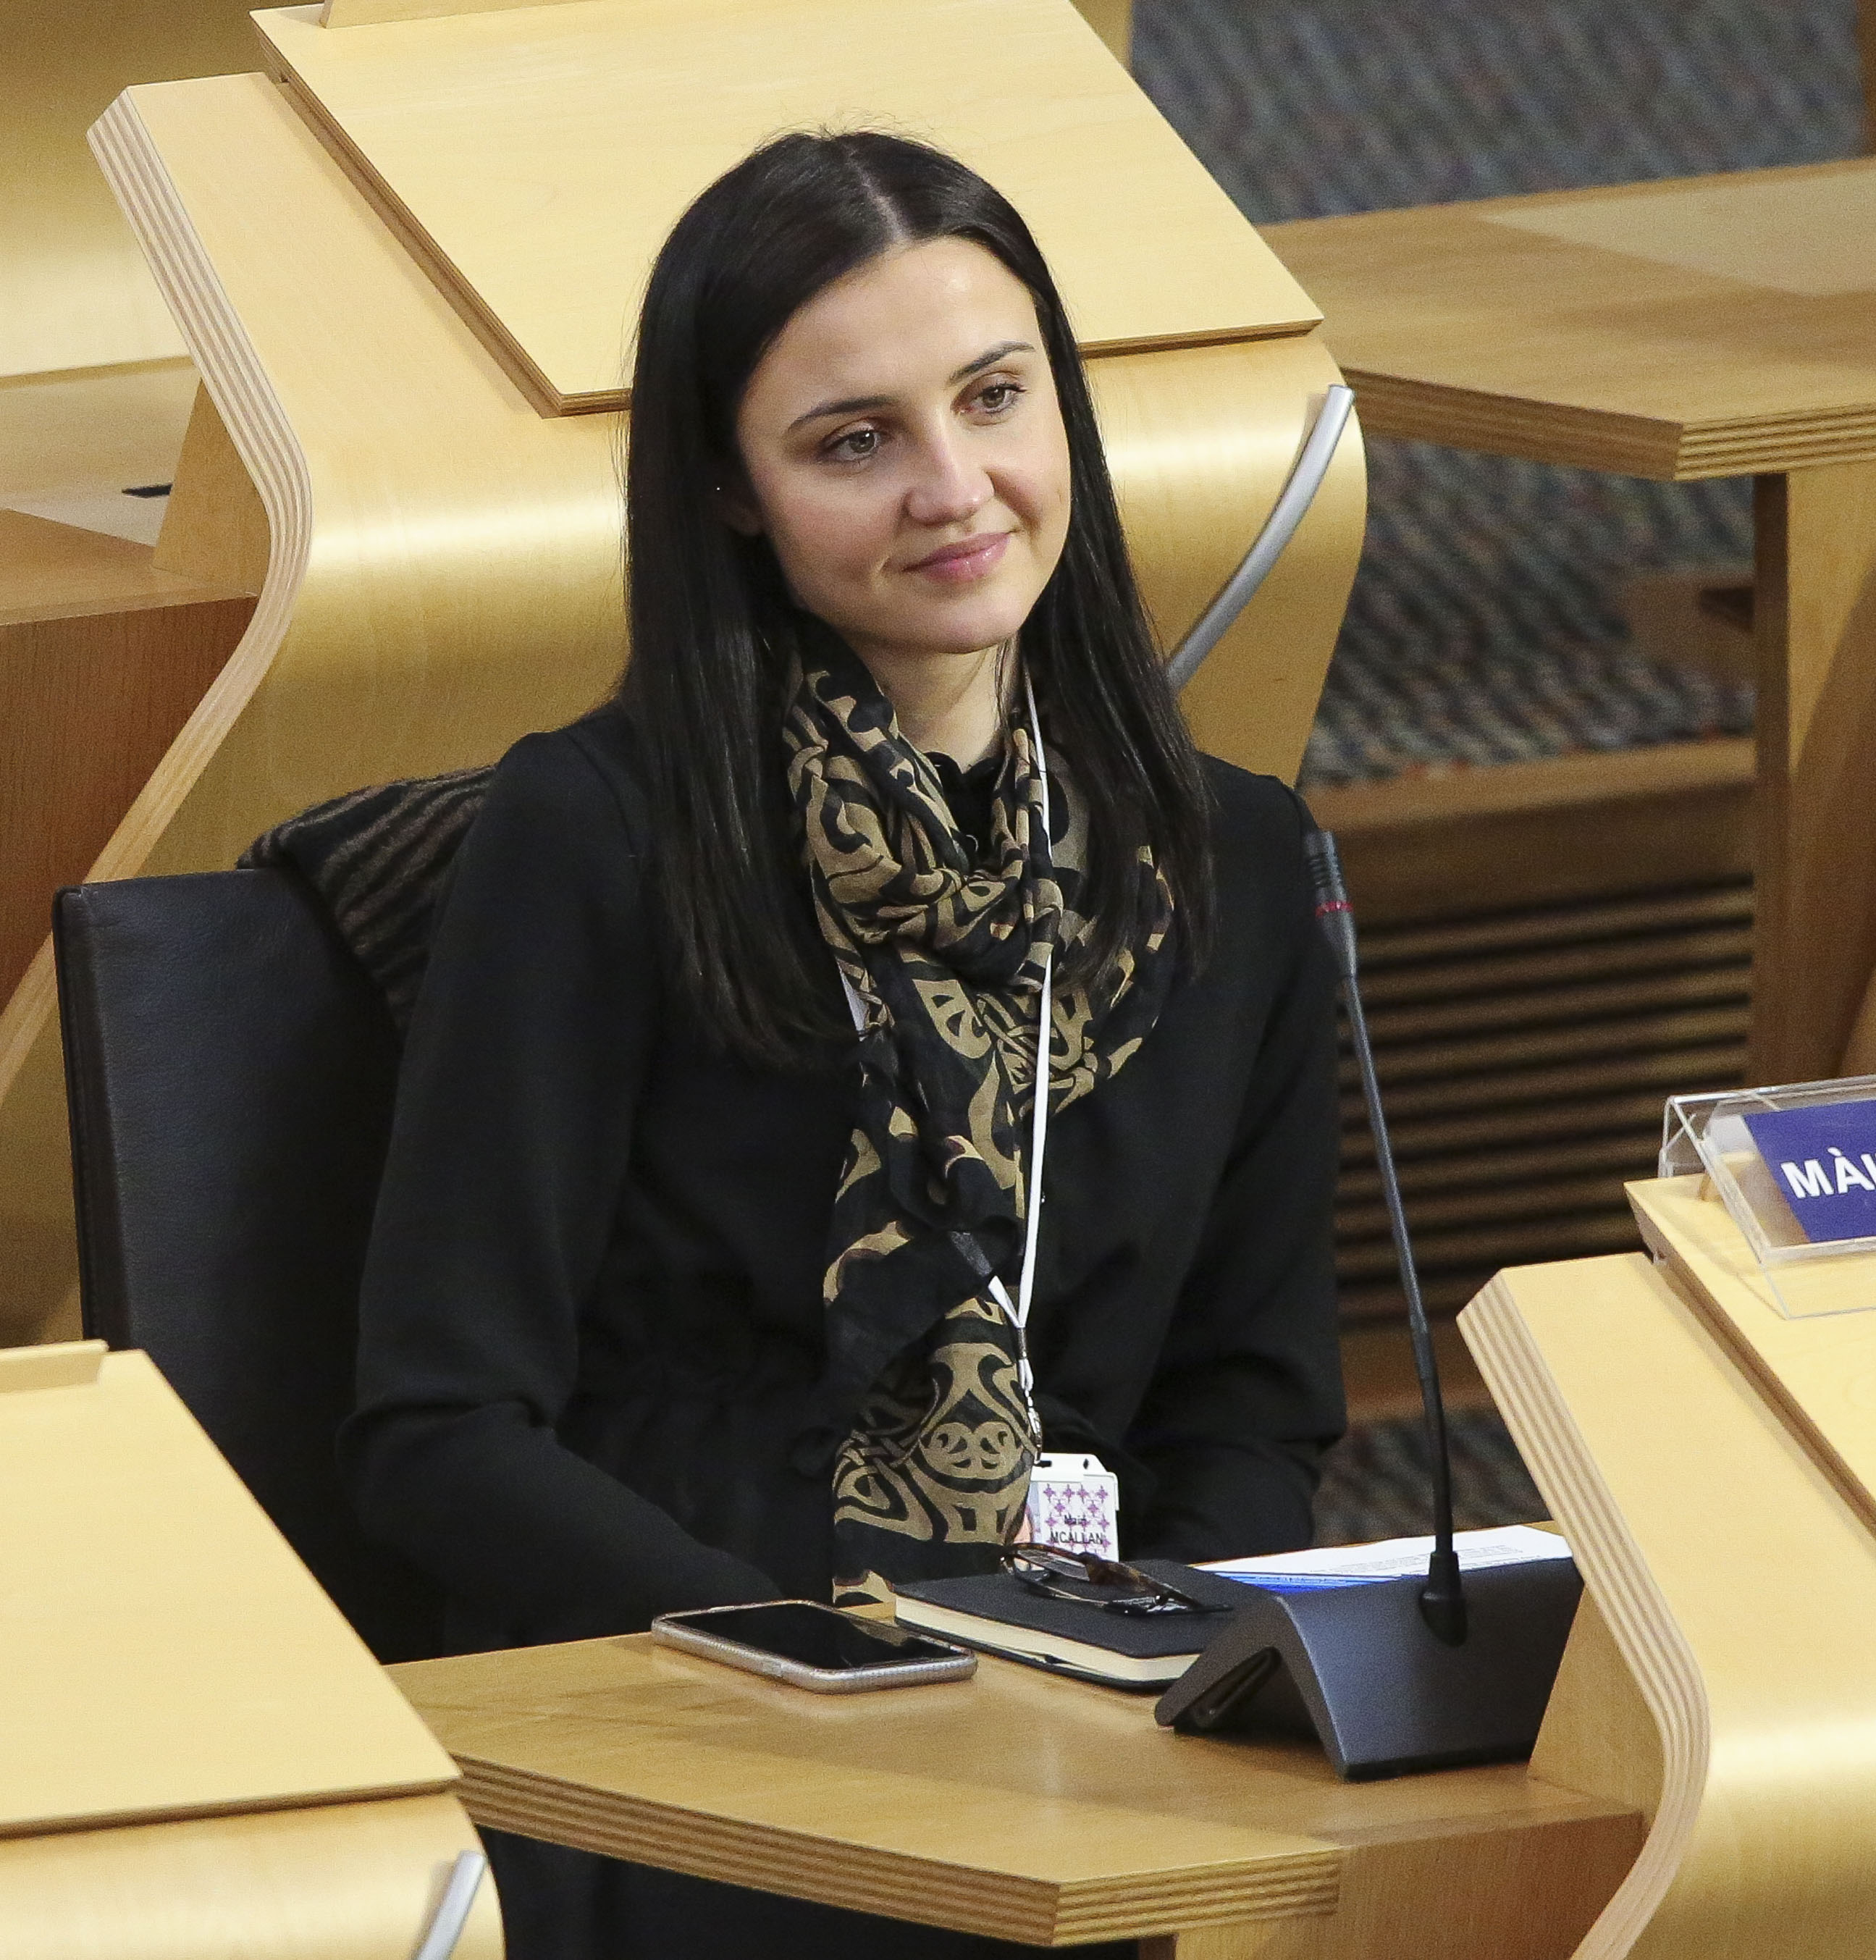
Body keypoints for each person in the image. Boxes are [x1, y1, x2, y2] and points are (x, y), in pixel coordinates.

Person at [338, 130, 1345, 1956]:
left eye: (995, 398)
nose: (955, 489)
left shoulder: (1234, 860)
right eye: (854, 442)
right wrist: (819, 1672)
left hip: (1088, 1715)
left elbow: (1252, 1409)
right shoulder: (597, 836)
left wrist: (1145, 1661)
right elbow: (441, 1429)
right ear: (732, 490)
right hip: (696, 1698)